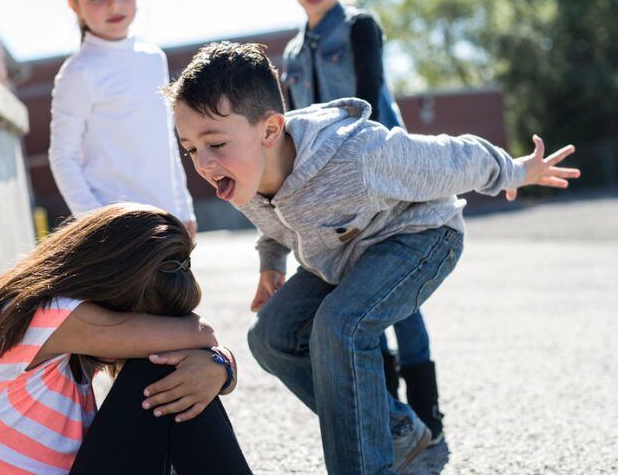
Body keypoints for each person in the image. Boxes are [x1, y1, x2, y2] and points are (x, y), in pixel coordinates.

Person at [166, 42, 580, 474]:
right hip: (342, 254)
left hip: (419, 237)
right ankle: (394, 428)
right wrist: (271, 263)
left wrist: (516, 171)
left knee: (340, 326)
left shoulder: (358, 154)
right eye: (190, 149)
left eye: (215, 143)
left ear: (270, 130)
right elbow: (274, 222)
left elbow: (455, 157)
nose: (204, 163)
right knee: (270, 337)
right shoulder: (242, 173)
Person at [0, 203, 252, 474]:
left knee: (179, 372)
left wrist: (218, 365)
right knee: (162, 366)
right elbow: (202, 334)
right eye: (144, 320)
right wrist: (217, 361)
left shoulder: (59, 325)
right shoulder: (48, 314)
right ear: (113, 287)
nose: (144, 333)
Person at [281, 0, 441, 436]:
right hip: (330, 191)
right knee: (358, 295)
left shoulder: (359, 28)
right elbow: (295, 126)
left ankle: (427, 412)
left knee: (398, 296)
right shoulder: (291, 54)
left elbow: (370, 95)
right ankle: (392, 416)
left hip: (382, 176)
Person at [49, 0, 196, 236]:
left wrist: (184, 208)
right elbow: (62, 156)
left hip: (167, 220)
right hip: (117, 230)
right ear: (75, 6)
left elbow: (166, 141)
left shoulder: (154, 58)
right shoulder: (79, 72)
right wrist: (96, 223)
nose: (114, 4)